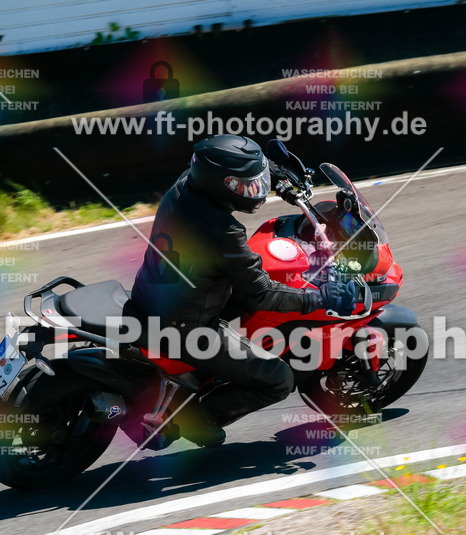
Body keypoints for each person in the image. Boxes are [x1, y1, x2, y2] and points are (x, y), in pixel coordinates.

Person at [130, 135, 355, 447]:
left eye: (258, 181)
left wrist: (271, 171)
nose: (257, 191)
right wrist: (320, 298)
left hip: (157, 292)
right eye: (248, 185)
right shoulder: (224, 232)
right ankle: (194, 419)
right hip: (185, 326)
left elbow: (226, 176)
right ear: (222, 184)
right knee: (278, 379)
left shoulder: (185, 185)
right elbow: (261, 294)